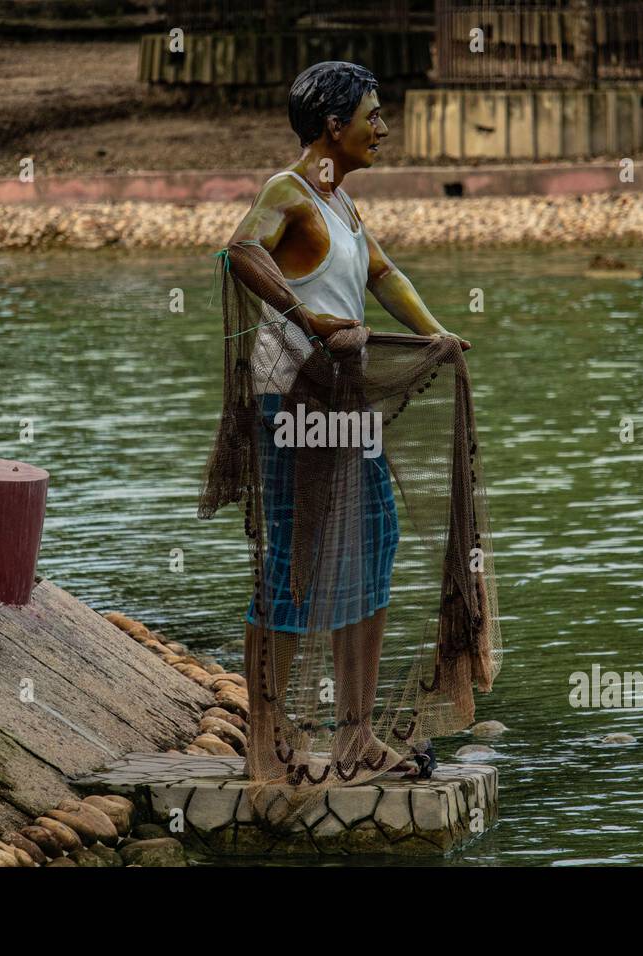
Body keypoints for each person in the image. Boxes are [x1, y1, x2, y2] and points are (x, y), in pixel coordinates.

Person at [223, 61, 471, 783]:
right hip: (293, 403)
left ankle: (355, 737)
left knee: (375, 542)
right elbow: (241, 250)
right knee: (293, 564)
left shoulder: (342, 202)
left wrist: (436, 334)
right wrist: (308, 318)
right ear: (334, 127)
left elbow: (382, 274)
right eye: (373, 115)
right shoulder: (289, 192)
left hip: (344, 404)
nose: (382, 129)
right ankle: (268, 739)